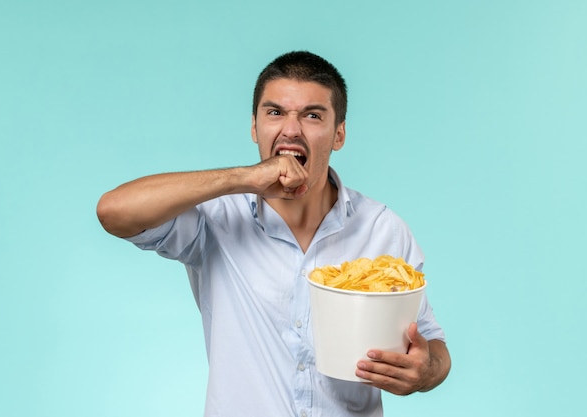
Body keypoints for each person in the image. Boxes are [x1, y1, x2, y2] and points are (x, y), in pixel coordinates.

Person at [97, 51, 451, 416]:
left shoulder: (383, 230)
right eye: (275, 112)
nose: (292, 129)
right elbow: (113, 211)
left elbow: (432, 343)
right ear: (254, 127)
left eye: (313, 115)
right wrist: (245, 178)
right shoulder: (217, 220)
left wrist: (426, 372)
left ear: (339, 133)